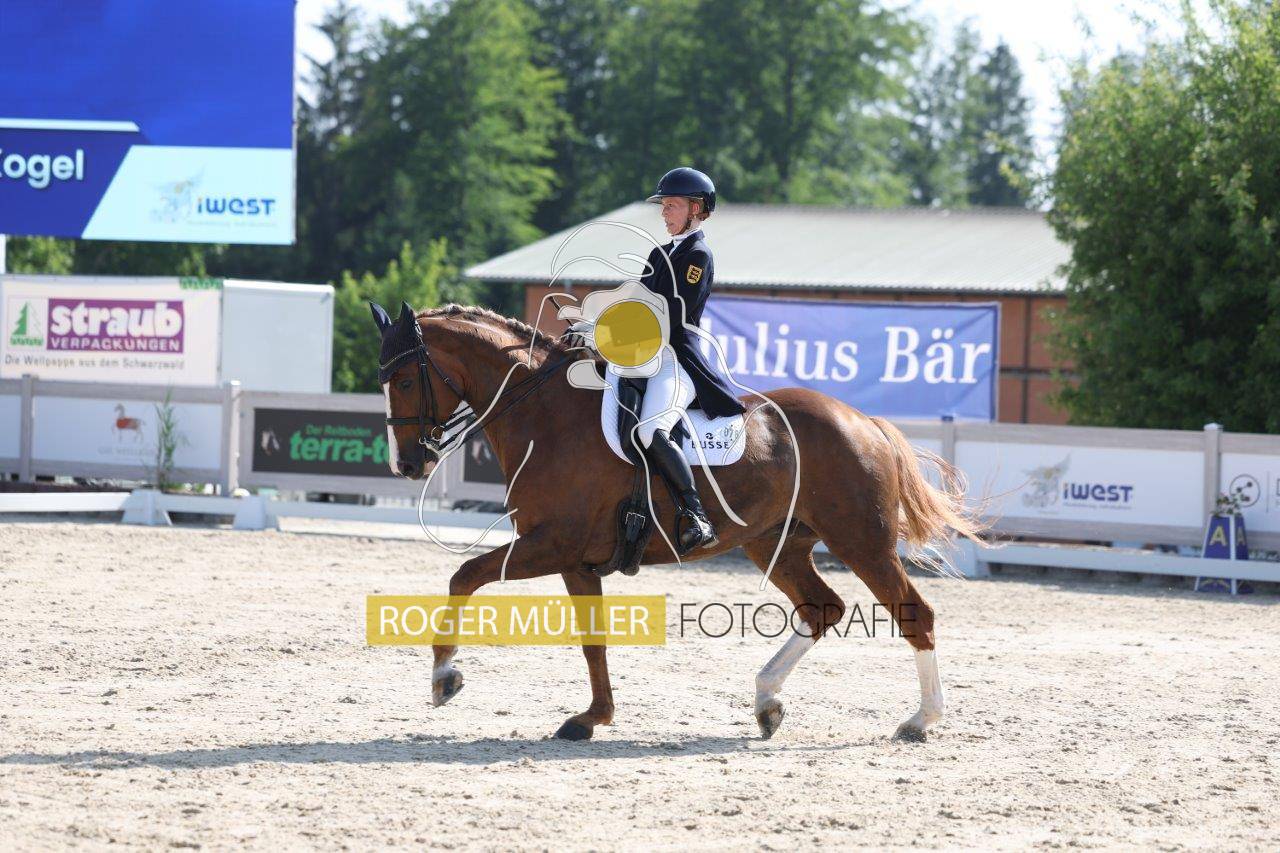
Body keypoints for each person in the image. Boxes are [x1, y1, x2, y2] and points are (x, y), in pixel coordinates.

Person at [571, 167, 747, 555]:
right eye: (663, 206)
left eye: (672, 205)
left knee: (651, 430)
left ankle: (696, 515)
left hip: (675, 358)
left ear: (696, 209)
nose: (664, 213)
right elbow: (636, 303)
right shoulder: (660, 253)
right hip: (642, 355)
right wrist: (593, 326)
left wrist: (611, 333)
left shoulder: (697, 255)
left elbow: (671, 314)